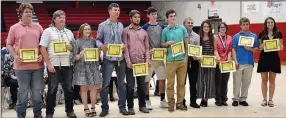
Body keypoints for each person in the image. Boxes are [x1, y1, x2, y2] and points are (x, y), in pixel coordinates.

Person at [6, 3, 44, 118]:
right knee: (23, 93)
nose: (29, 13)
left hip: (37, 66)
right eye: (26, 11)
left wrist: (42, 55)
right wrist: (15, 56)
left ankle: (37, 114)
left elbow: (43, 45)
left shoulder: (38, 27)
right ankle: (21, 115)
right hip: (21, 67)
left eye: (30, 11)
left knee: (37, 92)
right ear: (21, 13)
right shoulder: (14, 28)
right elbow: (8, 44)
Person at [39, 10, 77, 118]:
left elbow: (73, 48)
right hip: (54, 64)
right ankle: (49, 113)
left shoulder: (69, 32)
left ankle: (69, 110)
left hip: (68, 64)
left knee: (69, 88)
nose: (62, 19)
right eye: (59, 17)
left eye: (64, 17)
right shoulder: (48, 31)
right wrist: (49, 64)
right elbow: (42, 48)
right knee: (52, 89)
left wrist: (71, 47)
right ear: (54, 19)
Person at [96, 3, 129, 117]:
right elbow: (98, 40)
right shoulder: (102, 25)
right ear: (109, 11)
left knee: (121, 84)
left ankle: (122, 107)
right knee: (105, 84)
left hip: (120, 58)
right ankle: (104, 108)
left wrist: (124, 46)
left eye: (119, 10)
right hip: (108, 58)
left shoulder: (121, 25)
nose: (117, 12)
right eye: (115, 10)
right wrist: (101, 46)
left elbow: (122, 41)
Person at [72, 23, 102, 116]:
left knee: (94, 89)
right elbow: (73, 58)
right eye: (86, 29)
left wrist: (99, 53)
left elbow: (98, 55)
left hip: (93, 67)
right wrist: (80, 54)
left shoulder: (94, 41)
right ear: (81, 31)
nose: (88, 31)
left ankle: (93, 107)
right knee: (83, 89)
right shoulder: (76, 42)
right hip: (81, 68)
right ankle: (85, 108)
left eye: (89, 29)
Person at [161, 9, 188, 112]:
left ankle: (180, 103)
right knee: (170, 84)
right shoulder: (165, 31)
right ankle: (171, 103)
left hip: (182, 61)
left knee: (181, 84)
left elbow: (186, 43)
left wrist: (186, 56)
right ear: (167, 18)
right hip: (170, 61)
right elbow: (162, 44)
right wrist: (167, 43)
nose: (173, 18)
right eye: (171, 16)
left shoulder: (182, 28)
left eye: (174, 16)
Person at [123, 10, 150, 114]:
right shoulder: (126, 31)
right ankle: (130, 107)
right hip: (131, 63)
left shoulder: (144, 32)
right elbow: (125, 47)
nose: (137, 19)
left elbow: (147, 48)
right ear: (130, 19)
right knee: (130, 86)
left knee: (141, 85)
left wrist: (147, 60)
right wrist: (128, 61)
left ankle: (142, 106)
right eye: (135, 17)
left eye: (138, 17)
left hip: (141, 62)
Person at [142, 7, 168, 110]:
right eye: (152, 14)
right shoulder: (144, 27)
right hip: (149, 58)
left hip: (160, 57)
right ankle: (147, 100)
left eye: (155, 14)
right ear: (148, 15)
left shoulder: (162, 27)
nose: (154, 15)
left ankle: (162, 100)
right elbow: (142, 42)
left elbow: (164, 40)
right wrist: (147, 52)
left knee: (162, 79)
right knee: (147, 80)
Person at [232, 17, 259, 107]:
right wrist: (235, 60)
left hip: (249, 62)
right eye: (243, 24)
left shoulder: (253, 36)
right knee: (237, 81)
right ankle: (235, 99)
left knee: (246, 82)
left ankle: (243, 99)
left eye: (247, 24)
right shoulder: (236, 36)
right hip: (239, 62)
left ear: (249, 25)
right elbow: (233, 49)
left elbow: (256, 49)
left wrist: (249, 49)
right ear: (240, 25)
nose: (245, 26)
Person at [257, 17, 283, 107]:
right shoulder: (261, 34)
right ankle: (264, 99)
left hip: (274, 58)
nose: (270, 24)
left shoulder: (278, 34)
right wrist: (263, 46)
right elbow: (259, 47)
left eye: (272, 22)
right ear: (266, 24)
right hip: (264, 58)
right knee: (264, 80)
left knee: (272, 81)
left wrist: (280, 45)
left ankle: (270, 100)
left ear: (274, 23)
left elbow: (281, 47)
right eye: (268, 22)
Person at [196, 20, 219, 107]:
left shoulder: (214, 38)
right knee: (201, 81)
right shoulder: (199, 38)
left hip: (210, 62)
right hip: (201, 62)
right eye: (204, 26)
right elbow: (197, 50)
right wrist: (198, 57)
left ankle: (205, 99)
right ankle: (201, 97)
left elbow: (215, 50)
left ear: (210, 28)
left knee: (209, 81)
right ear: (202, 28)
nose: (206, 28)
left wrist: (217, 56)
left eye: (207, 27)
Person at [182, 17, 200, 108]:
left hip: (193, 62)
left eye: (191, 22)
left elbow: (198, 50)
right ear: (184, 24)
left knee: (193, 83)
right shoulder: (180, 35)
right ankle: (182, 101)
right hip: (183, 62)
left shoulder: (197, 36)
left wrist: (197, 56)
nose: (190, 24)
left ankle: (193, 101)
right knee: (182, 83)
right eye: (188, 22)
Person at [215, 22, 232, 106]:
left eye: (224, 27)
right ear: (219, 28)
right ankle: (218, 99)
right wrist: (218, 57)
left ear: (226, 29)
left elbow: (229, 50)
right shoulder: (215, 37)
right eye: (221, 27)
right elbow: (215, 49)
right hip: (218, 63)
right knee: (218, 82)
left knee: (225, 81)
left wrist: (229, 57)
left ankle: (224, 99)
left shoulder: (229, 38)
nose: (222, 29)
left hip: (226, 63)